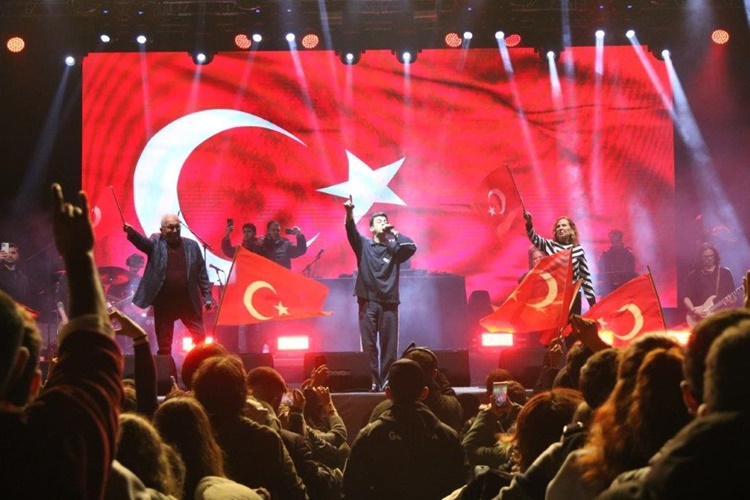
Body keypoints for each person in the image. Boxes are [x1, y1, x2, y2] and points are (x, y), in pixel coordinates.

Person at [0, 183, 123, 498]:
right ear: (29, 373)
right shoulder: (55, 446)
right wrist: (80, 255)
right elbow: (94, 369)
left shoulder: (21, 278)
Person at [343, 358, 467, 499]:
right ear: (424, 393)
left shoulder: (369, 436)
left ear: (388, 393)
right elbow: (461, 487)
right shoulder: (448, 436)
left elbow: (351, 489)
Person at [344, 195, 417, 391]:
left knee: (389, 346)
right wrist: (349, 212)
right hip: (368, 301)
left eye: (385, 220)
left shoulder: (394, 249)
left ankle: (386, 382)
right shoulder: (364, 245)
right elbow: (350, 230)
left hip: (389, 302)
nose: (383, 222)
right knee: (369, 345)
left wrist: (394, 232)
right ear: (371, 228)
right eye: (379, 221)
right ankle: (372, 381)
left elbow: (411, 247)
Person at [123, 214, 215, 360]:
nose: (175, 230)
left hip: (188, 302)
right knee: (164, 348)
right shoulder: (156, 242)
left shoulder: (192, 246)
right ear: (162, 230)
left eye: (177, 227)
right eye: (170, 227)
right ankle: (166, 373)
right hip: (165, 303)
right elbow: (143, 243)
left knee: (201, 342)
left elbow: (201, 274)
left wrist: (208, 296)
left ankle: (203, 369)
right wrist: (132, 233)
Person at [523, 211, 596, 316]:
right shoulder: (550, 245)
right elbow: (534, 238)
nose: (560, 228)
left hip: (573, 296)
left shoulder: (578, 250)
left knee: (573, 324)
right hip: (556, 296)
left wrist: (592, 302)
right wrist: (529, 223)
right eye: (558, 226)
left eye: (564, 225)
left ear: (571, 230)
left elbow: (585, 277)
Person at [683, 242, 737, 325]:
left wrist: (731, 301)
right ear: (700, 258)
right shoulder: (693, 275)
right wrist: (694, 310)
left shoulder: (725, 273)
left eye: (712, 256)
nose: (710, 258)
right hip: (700, 319)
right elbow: (686, 297)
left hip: (721, 317)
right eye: (706, 257)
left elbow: (734, 295)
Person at [597, 229, 636, 296]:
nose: (615, 244)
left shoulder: (628, 254)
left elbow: (631, 272)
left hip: (625, 286)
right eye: (612, 241)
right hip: (610, 287)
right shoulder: (606, 254)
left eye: (617, 241)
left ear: (621, 240)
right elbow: (601, 269)